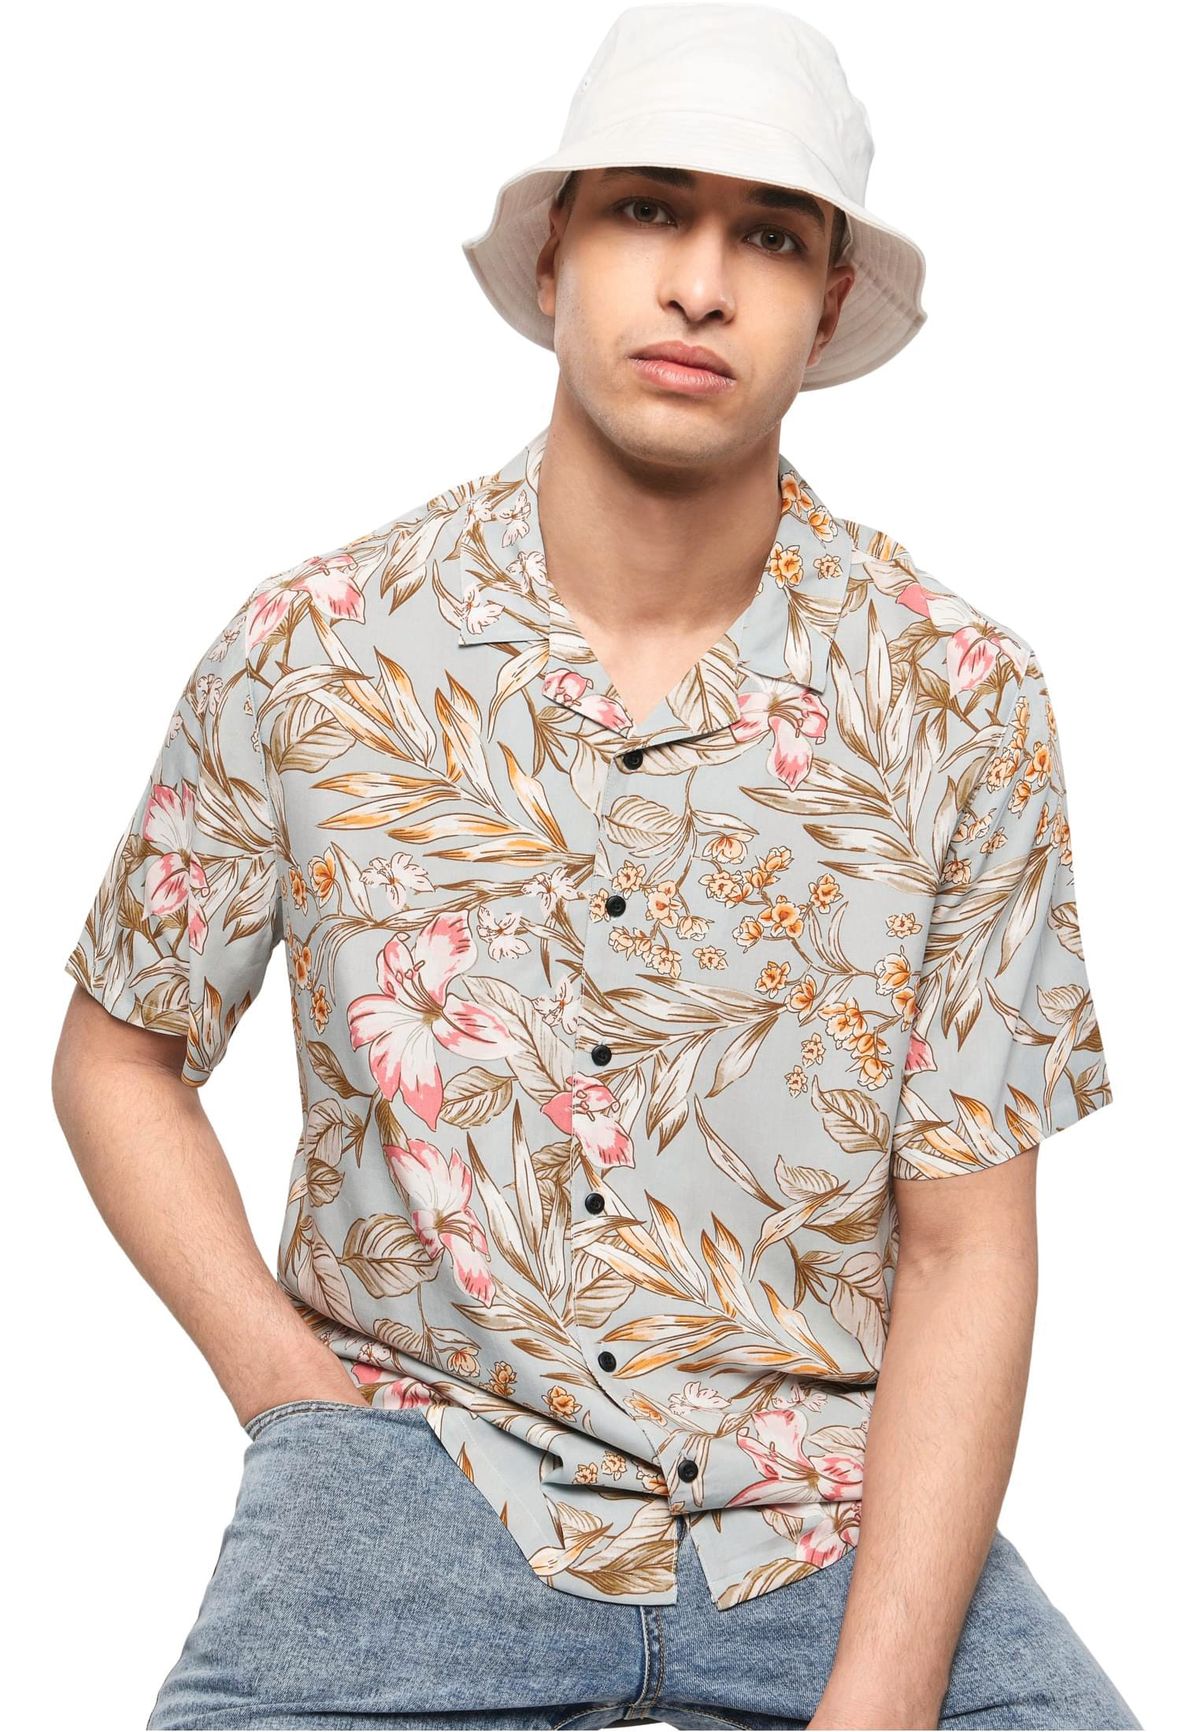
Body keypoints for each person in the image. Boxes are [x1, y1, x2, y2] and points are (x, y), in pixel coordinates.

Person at [52, 6, 1141, 1729]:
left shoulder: (958, 699)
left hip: (828, 1522)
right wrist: (295, 1399)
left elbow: (966, 1249)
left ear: (828, 303)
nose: (700, 284)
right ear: (556, 252)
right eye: (648, 208)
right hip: (421, 1477)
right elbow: (119, 1052)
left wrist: (880, 1696)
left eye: (767, 235)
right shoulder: (318, 650)